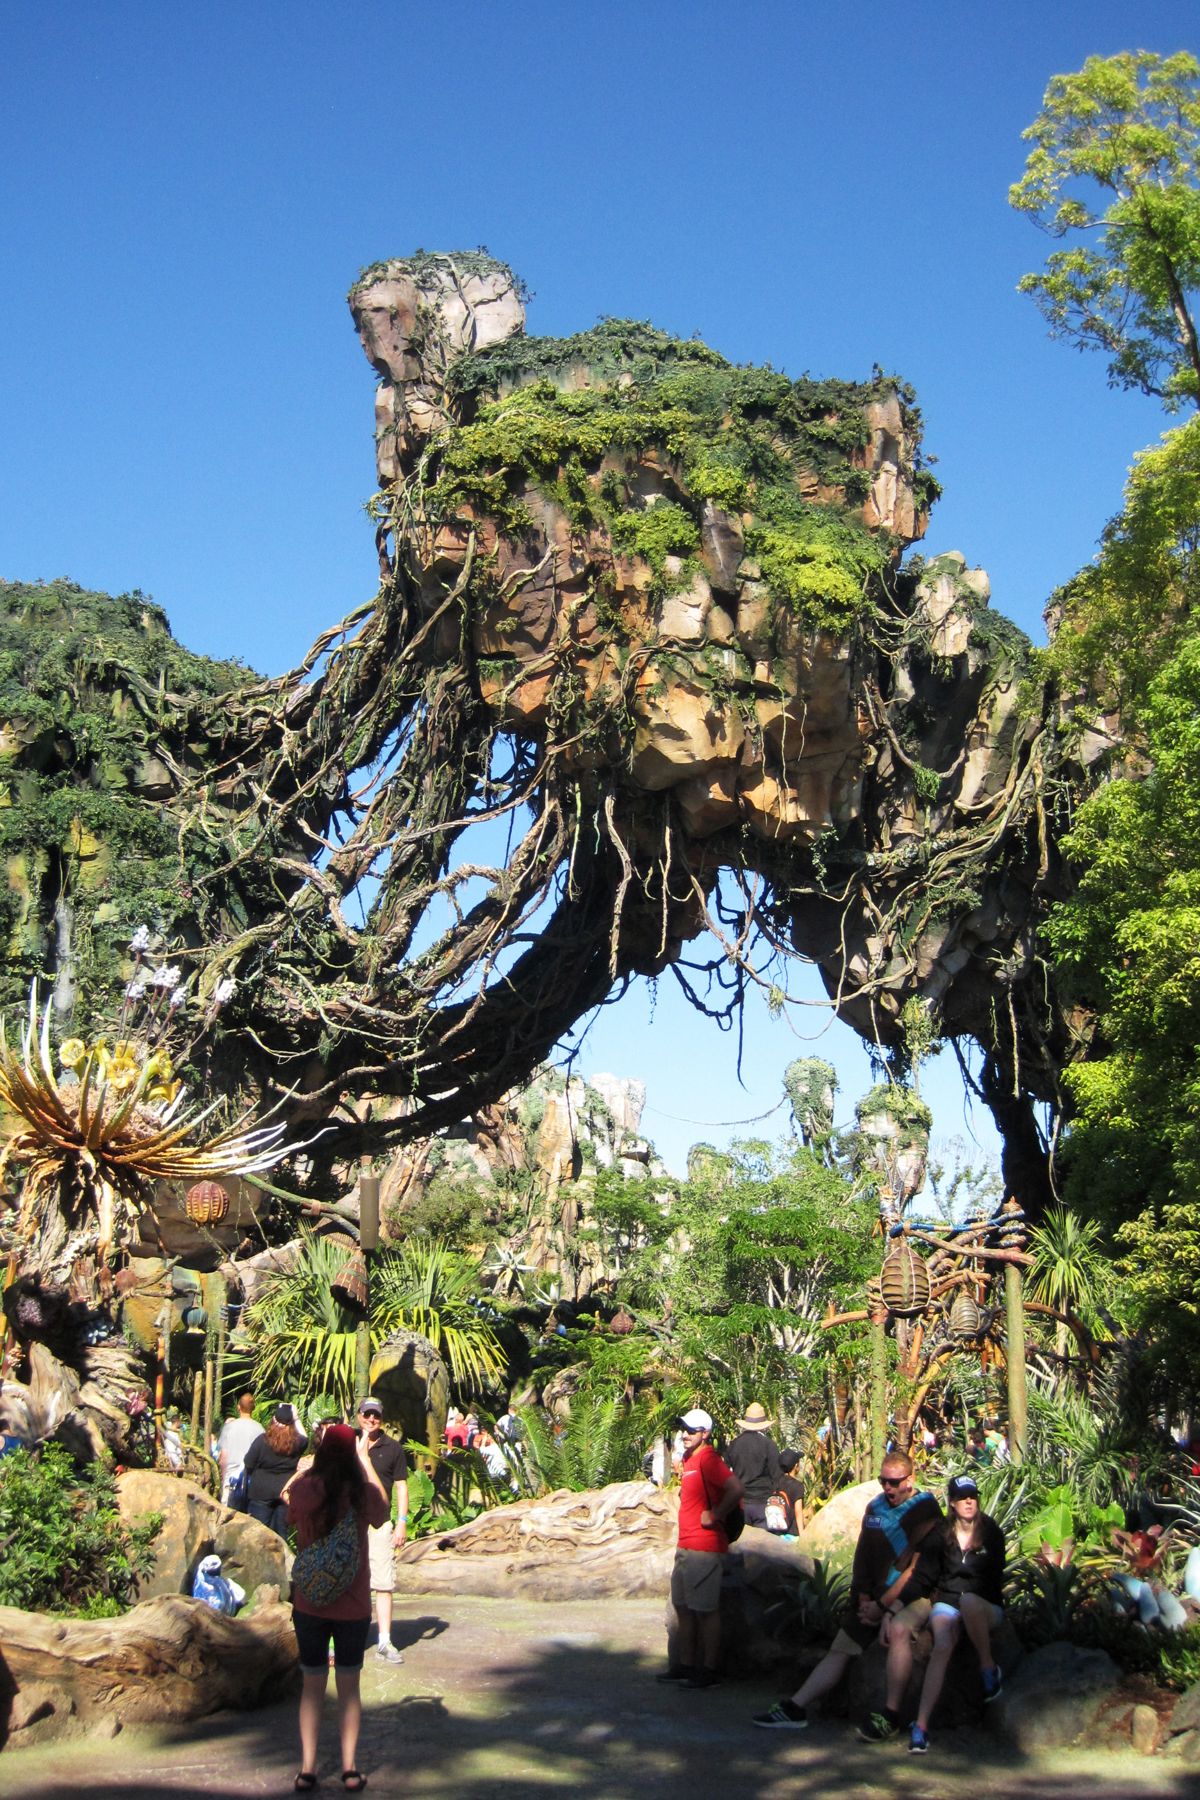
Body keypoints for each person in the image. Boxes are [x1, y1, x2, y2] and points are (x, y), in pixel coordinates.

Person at [752, 1449, 942, 1736]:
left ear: (910, 1480)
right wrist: (864, 1597)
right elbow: (864, 1555)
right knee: (841, 1647)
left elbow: (918, 1570)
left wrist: (885, 1605)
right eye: (883, 1481)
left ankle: (890, 1715)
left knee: (900, 1631)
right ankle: (795, 1706)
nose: (888, 1488)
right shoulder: (876, 1508)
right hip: (873, 1598)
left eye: (894, 1482)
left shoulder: (925, 1511)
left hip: (910, 1595)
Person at [286, 1422, 390, 1793]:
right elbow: (383, 1511)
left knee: (312, 1685)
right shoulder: (361, 1494)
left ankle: (307, 1768)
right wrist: (364, 1461)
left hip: (309, 1602)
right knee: (349, 1688)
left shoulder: (305, 1487)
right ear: (351, 1454)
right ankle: (349, 1768)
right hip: (353, 1604)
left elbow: (289, 1514)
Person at [907, 1472, 1006, 1753]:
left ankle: (988, 1668)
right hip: (948, 1603)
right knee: (942, 1644)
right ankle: (921, 1726)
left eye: (972, 1497)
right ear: (951, 1503)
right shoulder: (941, 1535)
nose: (968, 1502)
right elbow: (924, 1576)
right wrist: (893, 1607)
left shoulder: (991, 1532)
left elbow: (994, 1578)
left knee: (970, 1603)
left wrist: (967, 1602)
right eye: (962, 1498)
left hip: (983, 1604)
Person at [656, 1407, 744, 1691]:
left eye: (691, 1431)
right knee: (683, 1607)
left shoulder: (708, 1459)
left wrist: (716, 1515)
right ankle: (685, 1665)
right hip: (686, 1544)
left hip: (705, 1546)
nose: (685, 1435)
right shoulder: (688, 1459)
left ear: (705, 1434)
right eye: (684, 1429)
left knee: (705, 1609)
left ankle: (708, 1669)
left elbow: (736, 1489)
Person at [356, 1396, 409, 1665]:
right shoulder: (349, 1442)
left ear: (382, 1418)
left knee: (383, 1582)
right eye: (367, 1414)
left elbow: (401, 1485)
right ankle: (349, 1637)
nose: (371, 1420)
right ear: (358, 1415)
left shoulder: (393, 1448)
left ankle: (384, 1639)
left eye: (375, 1415)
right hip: (351, 1523)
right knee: (351, 1581)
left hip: (380, 1523)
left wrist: (402, 1521)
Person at [243, 1403, 306, 1538]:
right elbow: (305, 1438)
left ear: (273, 1420)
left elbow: (248, 1463)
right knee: (281, 1535)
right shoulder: (296, 1443)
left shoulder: (262, 1440)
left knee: (259, 1534)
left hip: (261, 1492)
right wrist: (296, 1417)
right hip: (285, 1492)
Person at [725, 1401, 783, 1530]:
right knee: (761, 1546)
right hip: (762, 1502)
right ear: (764, 1425)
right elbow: (777, 1475)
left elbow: (725, 1473)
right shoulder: (769, 1445)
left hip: (740, 1503)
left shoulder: (734, 1444)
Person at [217, 1389, 264, 1507]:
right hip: (251, 1479)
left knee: (227, 1517)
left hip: (231, 1476)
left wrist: (223, 1478)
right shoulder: (260, 1429)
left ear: (238, 1407)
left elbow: (223, 1457)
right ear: (253, 1408)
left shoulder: (230, 1427)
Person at [775, 1448, 806, 1535]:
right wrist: (802, 1534)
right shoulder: (798, 1486)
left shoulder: (775, 1483)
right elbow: (798, 1512)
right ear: (796, 1466)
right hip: (791, 1532)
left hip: (776, 1531)